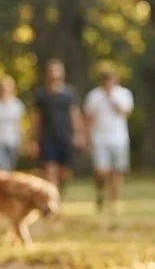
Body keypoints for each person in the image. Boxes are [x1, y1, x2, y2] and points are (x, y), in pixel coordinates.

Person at [83, 69, 133, 213]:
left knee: (117, 172)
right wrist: (86, 139)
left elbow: (125, 112)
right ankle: (100, 194)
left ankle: (114, 202)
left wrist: (112, 98)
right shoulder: (94, 96)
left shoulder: (123, 94)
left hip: (119, 139)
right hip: (99, 139)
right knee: (101, 171)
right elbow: (88, 118)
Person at [31, 60, 85, 195]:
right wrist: (33, 140)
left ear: (62, 73)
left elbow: (75, 115)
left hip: (65, 137)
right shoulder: (41, 94)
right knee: (49, 170)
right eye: (51, 71)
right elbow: (35, 118)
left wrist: (79, 135)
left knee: (65, 174)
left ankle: (59, 196)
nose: (53, 74)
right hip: (47, 138)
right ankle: (52, 201)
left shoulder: (69, 93)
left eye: (56, 71)